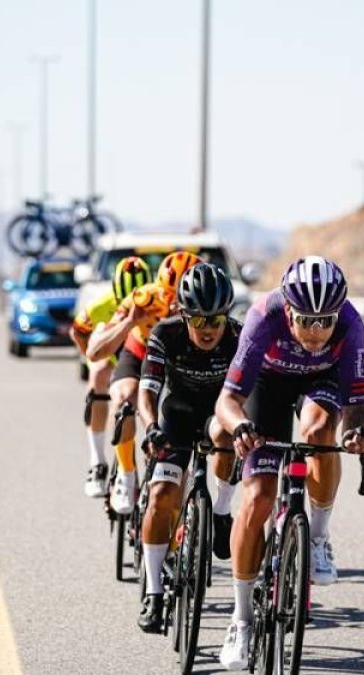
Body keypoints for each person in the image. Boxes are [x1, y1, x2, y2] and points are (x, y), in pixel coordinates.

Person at [214, 256, 364, 670]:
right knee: (258, 498)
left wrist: (358, 433)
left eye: (325, 321)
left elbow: (357, 403)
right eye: (306, 320)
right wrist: (239, 429)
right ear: (288, 309)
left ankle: (319, 538)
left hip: (320, 385)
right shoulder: (263, 317)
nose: (316, 332)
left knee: (320, 432)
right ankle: (241, 619)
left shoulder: (351, 325)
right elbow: (228, 401)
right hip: (266, 386)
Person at [135, 263, 240, 632]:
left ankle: (222, 513)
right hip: (175, 417)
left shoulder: (239, 337)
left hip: (217, 414)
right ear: (183, 316)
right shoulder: (165, 334)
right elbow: (146, 391)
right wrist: (149, 429)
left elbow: (255, 393)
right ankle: (154, 590)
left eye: (216, 321)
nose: (209, 330)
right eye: (198, 322)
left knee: (226, 436)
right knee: (162, 495)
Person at [88, 251, 202, 513]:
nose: (174, 305)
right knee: (125, 398)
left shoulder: (203, 305)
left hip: (180, 361)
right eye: (169, 296)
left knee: (176, 431)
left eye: (182, 299)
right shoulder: (144, 298)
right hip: (140, 350)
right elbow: (95, 351)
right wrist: (130, 321)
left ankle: (175, 523)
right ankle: (126, 476)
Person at [69, 257, 152, 503]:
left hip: (144, 356)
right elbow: (78, 330)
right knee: (97, 373)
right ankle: (97, 461)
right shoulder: (101, 304)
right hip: (115, 357)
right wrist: (89, 356)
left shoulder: (156, 300)